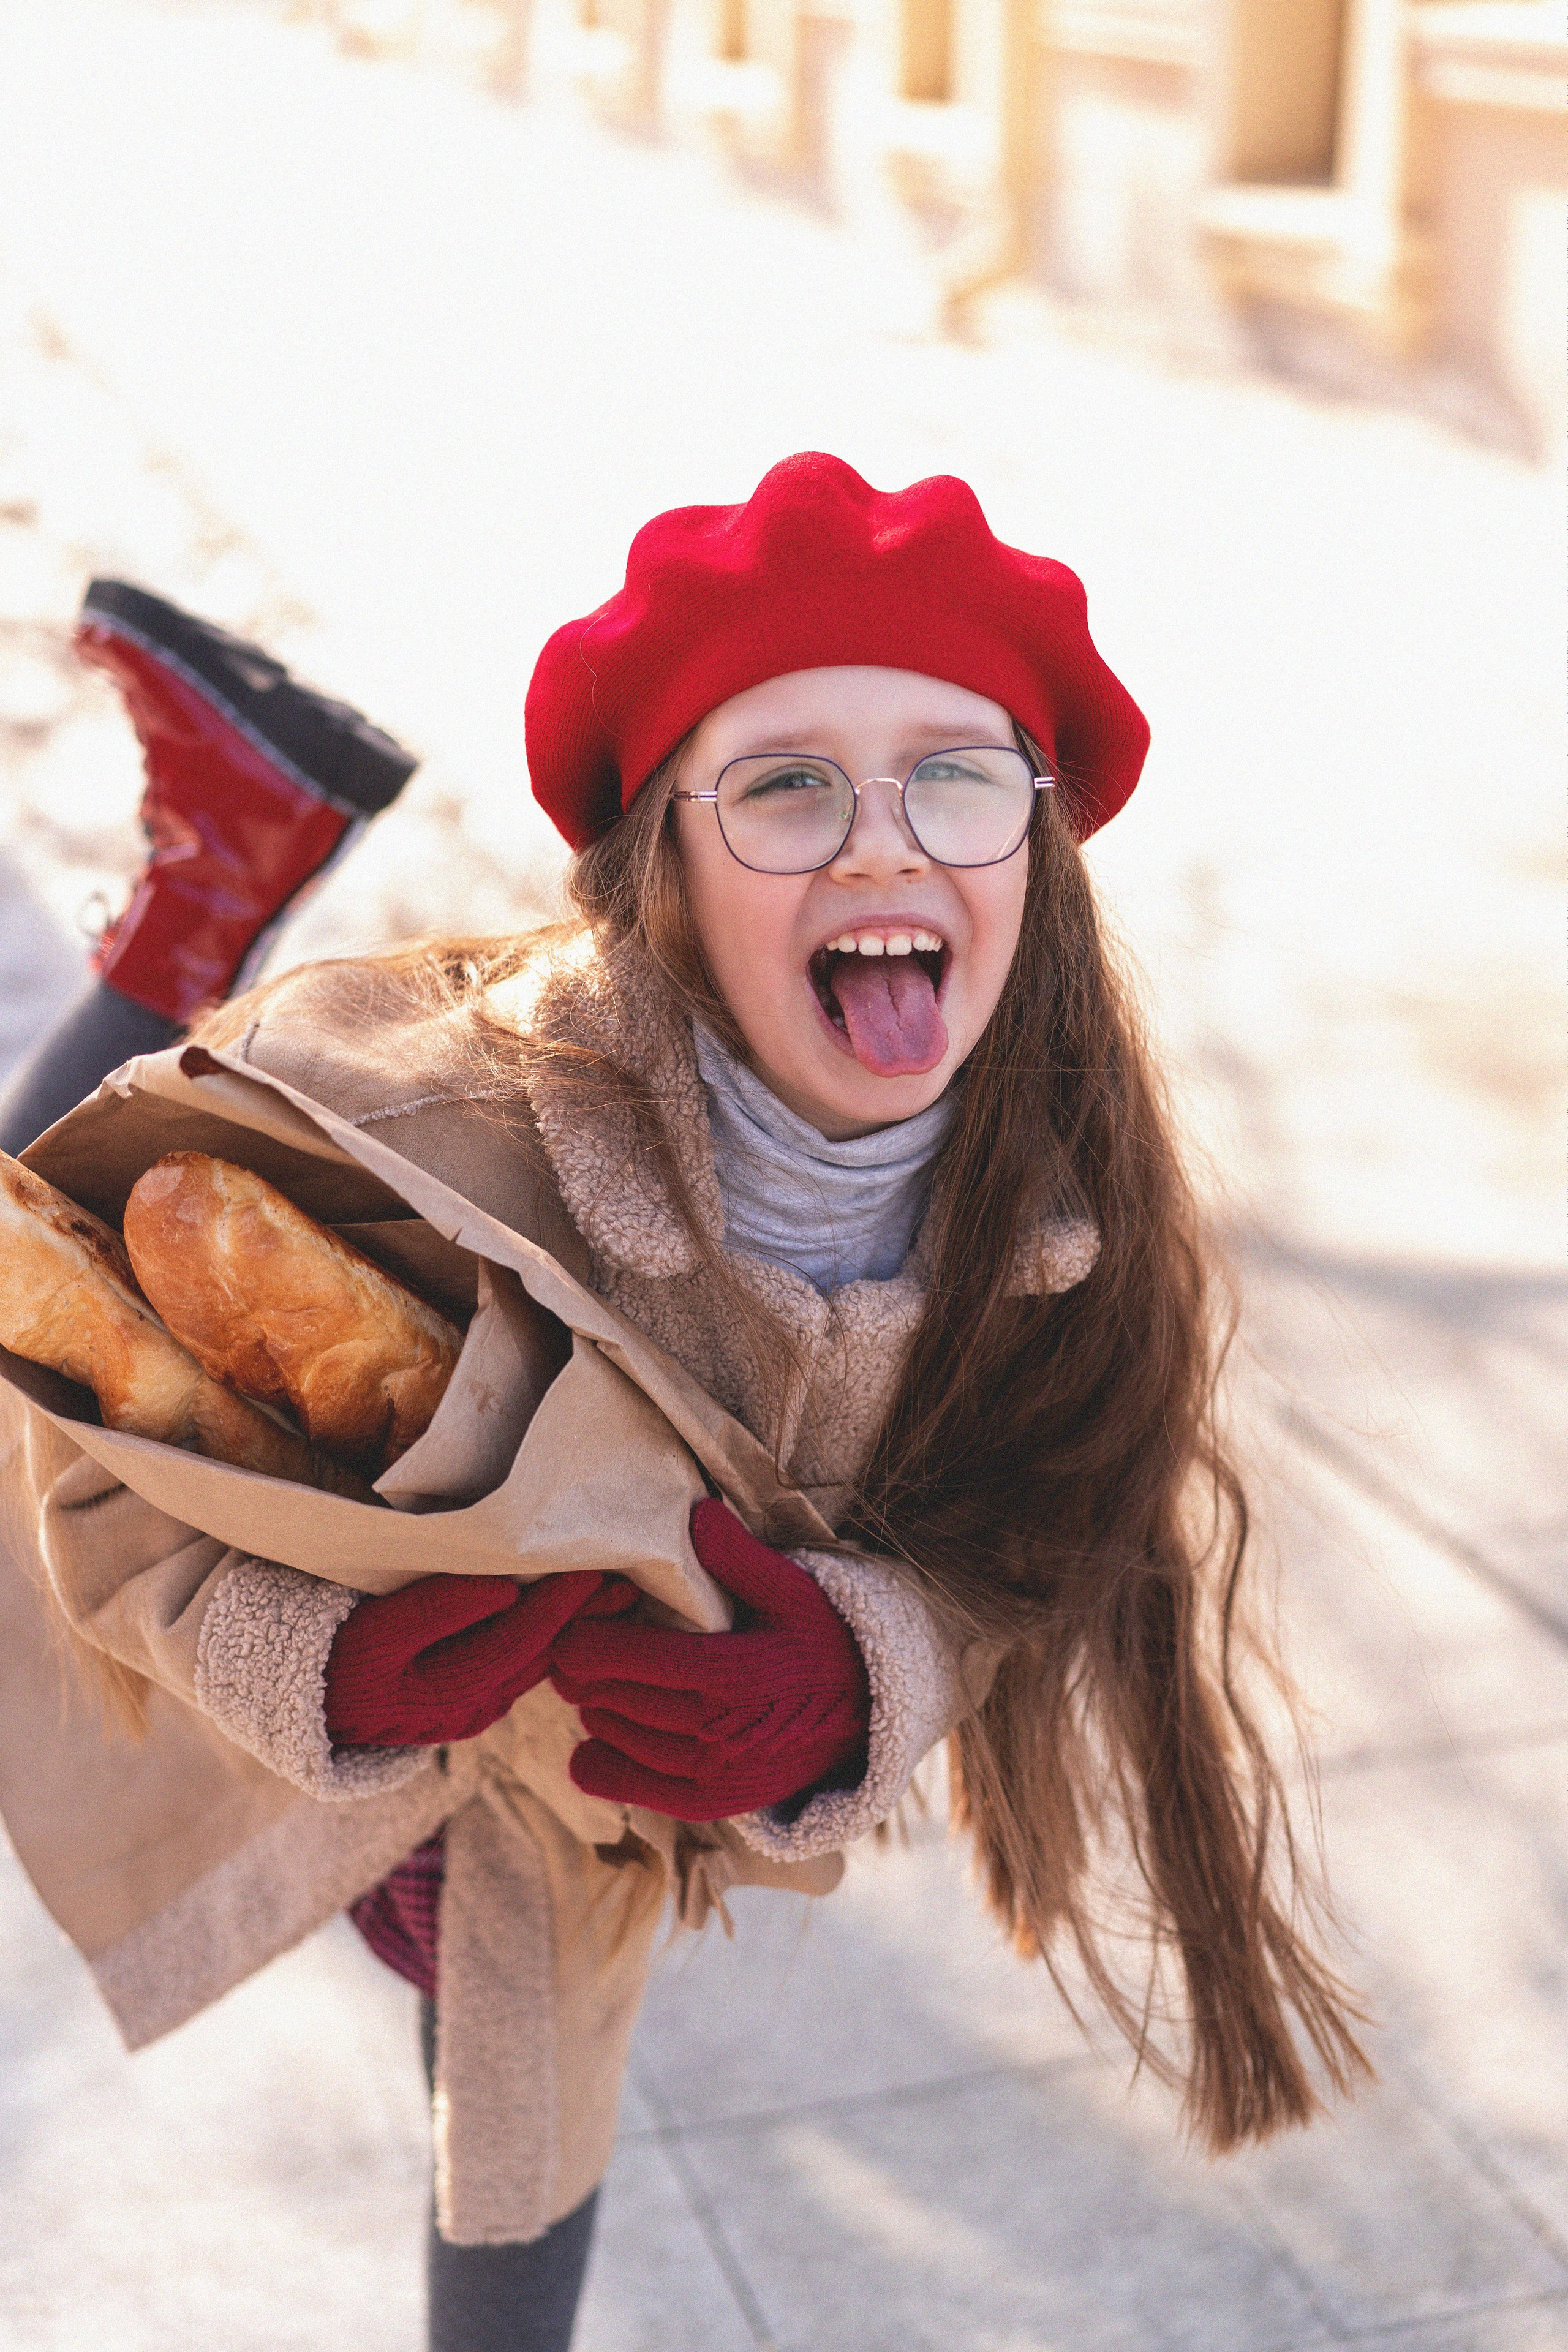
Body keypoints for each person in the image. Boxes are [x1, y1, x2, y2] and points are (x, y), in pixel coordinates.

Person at [10, 455, 1368, 2352]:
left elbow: (1046, 1524)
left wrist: (868, 1662)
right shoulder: (417, 1108)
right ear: (664, 862)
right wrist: (315, 1663)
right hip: (347, 1776)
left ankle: (234, 834)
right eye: (788, 782)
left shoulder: (1065, 1205)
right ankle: (209, 888)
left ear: (1036, 859)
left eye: (958, 776)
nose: (885, 842)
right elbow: (94, 1452)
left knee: (515, 2079)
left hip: (592, 1818)